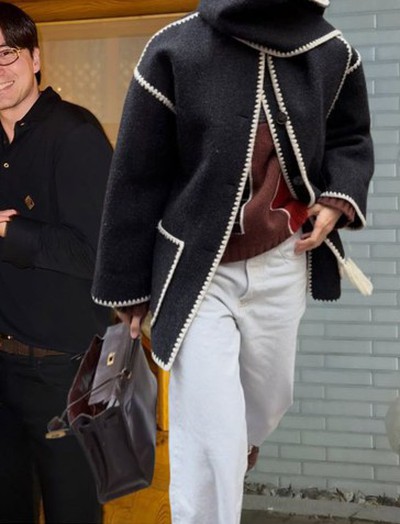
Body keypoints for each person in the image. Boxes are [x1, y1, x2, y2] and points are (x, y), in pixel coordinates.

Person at [92, 0, 374, 522]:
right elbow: (136, 175)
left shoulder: (330, 51)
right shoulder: (174, 49)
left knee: (268, 403)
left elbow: (350, 137)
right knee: (211, 433)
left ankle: (235, 449)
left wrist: (338, 198)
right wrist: (128, 287)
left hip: (283, 259)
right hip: (198, 272)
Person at [0, 3, 112, 523]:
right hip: (2, 369)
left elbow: (97, 253)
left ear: (35, 57)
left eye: (7, 53)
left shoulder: (75, 134)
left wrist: (12, 234)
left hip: (64, 375)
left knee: (73, 512)